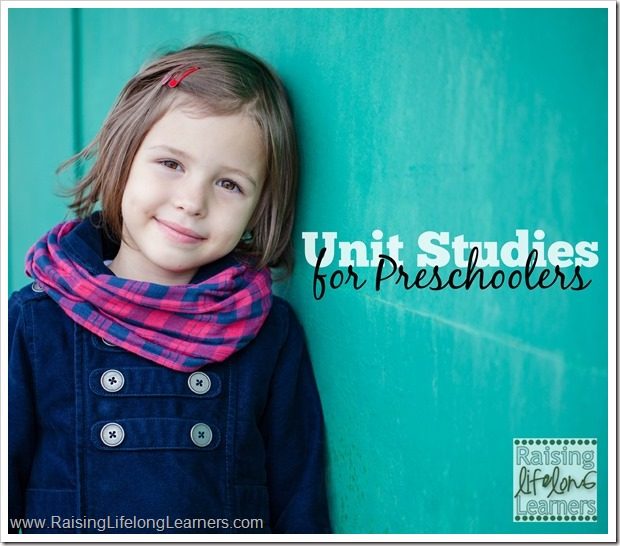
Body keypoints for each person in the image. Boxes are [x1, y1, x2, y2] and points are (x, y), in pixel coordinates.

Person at [8, 40, 331, 534]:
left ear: (259, 207)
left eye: (229, 185)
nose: (192, 201)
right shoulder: (36, 321)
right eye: (172, 164)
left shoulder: (267, 333)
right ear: (124, 156)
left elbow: (298, 501)